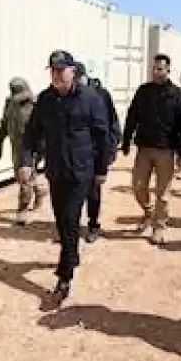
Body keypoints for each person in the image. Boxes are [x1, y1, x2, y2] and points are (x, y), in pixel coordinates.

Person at [20, 50, 112, 308]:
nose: (57, 74)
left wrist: (102, 169)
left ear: (73, 71)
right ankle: (72, 256)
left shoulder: (90, 99)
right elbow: (31, 134)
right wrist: (27, 162)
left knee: (70, 220)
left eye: (61, 70)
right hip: (56, 170)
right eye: (53, 70)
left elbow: (103, 136)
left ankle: (64, 277)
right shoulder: (46, 100)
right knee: (62, 221)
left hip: (82, 171)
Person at [121, 54, 181, 245]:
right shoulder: (144, 91)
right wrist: (126, 140)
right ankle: (148, 212)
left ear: (168, 70)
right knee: (138, 186)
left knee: (163, 193)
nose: (156, 71)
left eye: (160, 68)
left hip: (166, 150)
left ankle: (159, 227)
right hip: (144, 148)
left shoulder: (176, 94)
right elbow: (132, 116)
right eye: (154, 68)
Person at [75, 63, 120, 243]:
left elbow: (113, 123)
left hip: (96, 152)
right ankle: (72, 227)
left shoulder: (101, 95)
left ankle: (93, 224)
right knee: (74, 192)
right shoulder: (71, 96)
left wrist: (111, 148)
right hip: (77, 153)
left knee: (93, 191)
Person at [0, 77, 47, 226]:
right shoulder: (10, 103)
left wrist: (42, 148)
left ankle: (22, 211)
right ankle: (38, 190)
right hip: (16, 146)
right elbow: (5, 122)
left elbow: (42, 128)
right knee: (22, 177)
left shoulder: (35, 104)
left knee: (25, 178)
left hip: (30, 146)